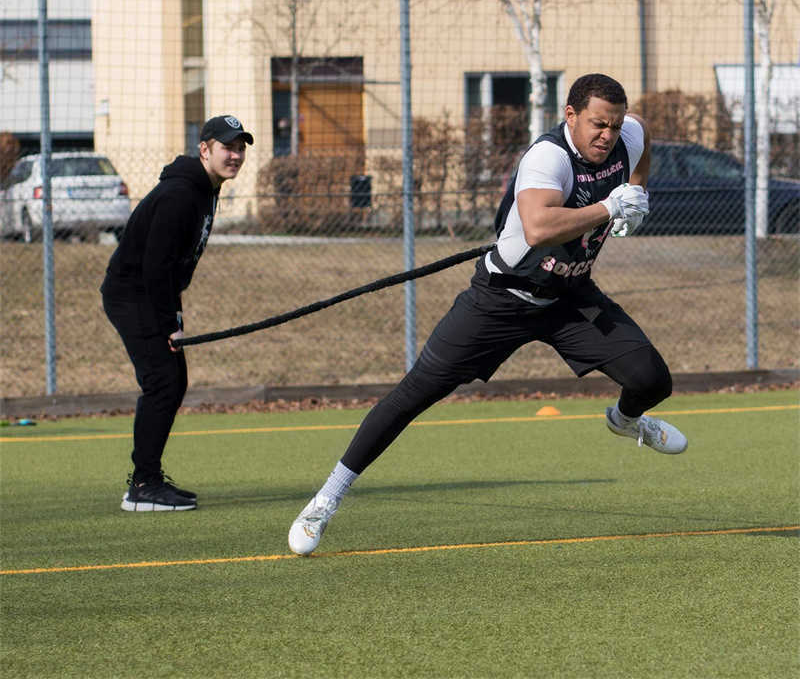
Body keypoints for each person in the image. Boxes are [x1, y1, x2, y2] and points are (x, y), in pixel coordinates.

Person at [288, 73, 687, 555]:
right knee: (414, 393)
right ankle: (326, 498)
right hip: (502, 299)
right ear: (571, 115)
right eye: (598, 124)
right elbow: (539, 226)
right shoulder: (548, 157)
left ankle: (625, 422)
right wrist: (608, 206)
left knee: (652, 380)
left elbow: (641, 146)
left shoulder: (627, 134)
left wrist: (637, 195)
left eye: (614, 124)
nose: (608, 135)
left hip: (569, 296)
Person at [101, 115, 253, 512]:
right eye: (227, 147)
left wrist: (176, 318)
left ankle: (147, 479)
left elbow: (172, 268)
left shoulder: (206, 189)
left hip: (151, 292)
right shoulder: (181, 194)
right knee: (163, 382)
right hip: (133, 294)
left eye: (240, 148)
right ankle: (143, 486)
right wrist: (170, 324)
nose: (235, 155)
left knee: (173, 380)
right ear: (205, 149)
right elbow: (155, 266)